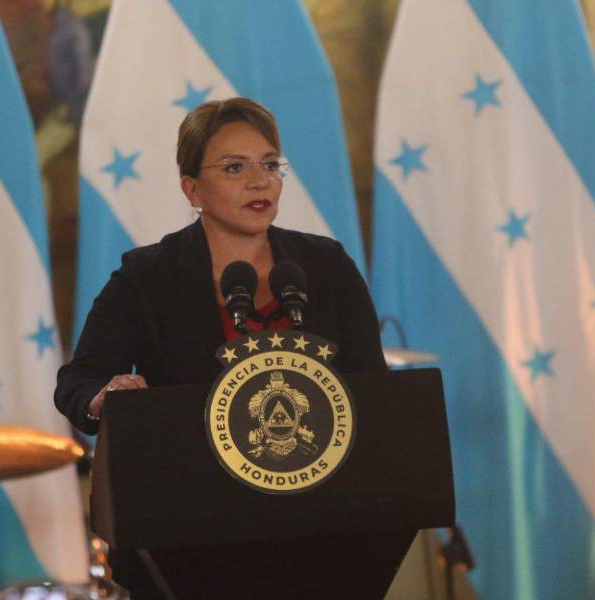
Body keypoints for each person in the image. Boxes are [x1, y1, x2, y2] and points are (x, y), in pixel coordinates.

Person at [54, 97, 387, 598]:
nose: (260, 181)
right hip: (187, 542)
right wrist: (106, 395)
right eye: (235, 167)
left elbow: (375, 395)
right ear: (193, 188)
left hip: (323, 537)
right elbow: (77, 382)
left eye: (270, 165)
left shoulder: (327, 267)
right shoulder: (149, 277)